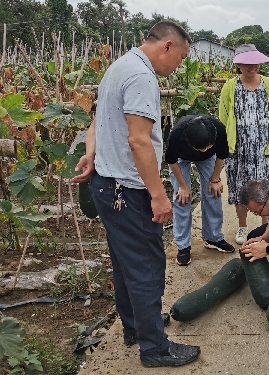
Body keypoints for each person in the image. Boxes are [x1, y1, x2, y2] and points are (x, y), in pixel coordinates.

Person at [72, 21, 201, 368]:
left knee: (125, 262)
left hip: (105, 183)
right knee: (146, 266)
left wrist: (91, 152)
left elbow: (98, 119)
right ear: (167, 47)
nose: (178, 67)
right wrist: (158, 196)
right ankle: (155, 348)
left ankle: (136, 328)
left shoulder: (120, 65)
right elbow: (139, 140)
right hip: (127, 189)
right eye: (181, 58)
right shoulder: (143, 77)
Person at [218, 44, 269, 245]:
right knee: (240, 189)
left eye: (255, 63)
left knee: (264, 188)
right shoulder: (229, 86)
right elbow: (224, 115)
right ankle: (243, 227)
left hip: (263, 149)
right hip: (238, 150)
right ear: (238, 64)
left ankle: (264, 227)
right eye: (246, 63)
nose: (251, 67)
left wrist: (263, 131)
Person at [165, 114, 234, 266]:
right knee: (182, 199)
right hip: (181, 159)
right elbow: (171, 160)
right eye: (200, 148)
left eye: (208, 147)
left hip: (210, 160)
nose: (203, 151)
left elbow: (221, 156)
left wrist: (215, 179)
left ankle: (213, 237)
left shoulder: (219, 129)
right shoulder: (178, 133)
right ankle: (183, 246)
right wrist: (183, 186)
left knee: (213, 193)